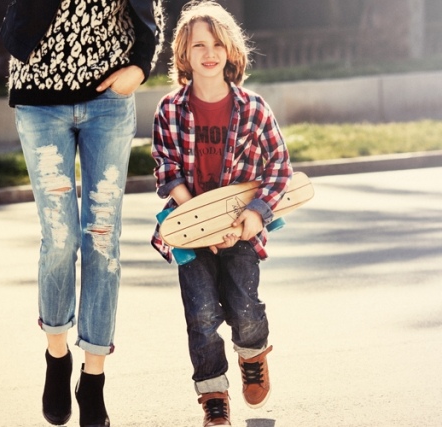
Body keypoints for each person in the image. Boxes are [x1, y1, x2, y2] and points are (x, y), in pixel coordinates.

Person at [0, 0, 164, 426]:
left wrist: (141, 67)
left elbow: (152, 11)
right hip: (40, 99)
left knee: (103, 239)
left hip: (108, 101)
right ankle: (57, 358)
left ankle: (93, 378)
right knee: (59, 238)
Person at [150, 1, 293, 425]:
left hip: (243, 228)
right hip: (190, 233)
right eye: (198, 45)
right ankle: (213, 394)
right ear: (184, 54)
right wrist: (197, 217)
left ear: (230, 50)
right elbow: (165, 168)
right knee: (202, 316)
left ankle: (253, 355)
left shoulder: (252, 108)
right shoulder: (170, 110)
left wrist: (255, 215)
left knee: (244, 308)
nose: (208, 52)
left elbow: (279, 168)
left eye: (216, 43)